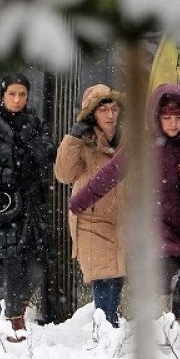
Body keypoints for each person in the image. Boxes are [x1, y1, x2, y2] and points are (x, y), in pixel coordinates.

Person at [70, 84, 180, 324]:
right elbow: (110, 174)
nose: (173, 124)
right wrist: (80, 201)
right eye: (167, 118)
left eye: (178, 118)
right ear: (156, 117)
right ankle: (157, 325)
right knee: (162, 273)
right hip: (154, 226)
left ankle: (171, 327)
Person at [0, 74, 55, 342]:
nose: (17, 100)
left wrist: (29, 142)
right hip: (3, 206)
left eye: (22, 95)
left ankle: (17, 307)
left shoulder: (36, 123)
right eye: (12, 94)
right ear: (2, 96)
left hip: (33, 202)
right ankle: (14, 321)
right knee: (10, 264)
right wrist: (5, 175)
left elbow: (48, 155)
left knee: (37, 263)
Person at [54, 84, 127, 327]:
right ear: (92, 114)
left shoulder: (128, 138)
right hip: (92, 221)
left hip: (123, 220)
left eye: (114, 109)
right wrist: (73, 138)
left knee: (117, 277)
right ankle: (106, 330)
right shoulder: (82, 142)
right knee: (103, 277)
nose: (110, 115)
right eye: (103, 110)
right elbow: (64, 174)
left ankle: (110, 327)